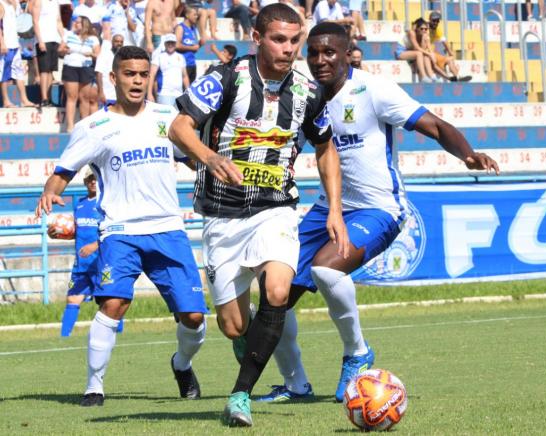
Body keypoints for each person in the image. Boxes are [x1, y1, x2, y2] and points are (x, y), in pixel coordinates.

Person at [257, 22, 499, 404]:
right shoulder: (304, 95)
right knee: (274, 295)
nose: (320, 60)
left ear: (347, 51)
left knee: (324, 268)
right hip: (328, 209)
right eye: (314, 53)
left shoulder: (373, 90)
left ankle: (357, 353)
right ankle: (296, 384)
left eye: (329, 52)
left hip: (379, 208)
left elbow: (433, 125)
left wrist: (467, 154)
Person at [168, 3, 348, 427]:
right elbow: (178, 128)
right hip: (222, 214)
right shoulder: (227, 78)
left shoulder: (307, 92)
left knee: (280, 291)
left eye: (294, 40)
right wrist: (209, 158)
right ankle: (246, 341)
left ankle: (240, 394)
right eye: (278, 39)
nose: (288, 49)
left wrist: (335, 209)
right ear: (258, 38)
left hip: (276, 209)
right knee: (233, 326)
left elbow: (325, 148)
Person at [35, 45, 208, 407]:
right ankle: (94, 386)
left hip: (167, 229)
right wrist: (50, 194)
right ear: (113, 78)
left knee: (193, 316)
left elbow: (194, 157)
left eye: (143, 74)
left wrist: (212, 167)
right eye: (129, 74)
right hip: (120, 232)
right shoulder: (93, 127)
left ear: (151, 77)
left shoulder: (169, 117)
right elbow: (62, 172)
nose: (137, 81)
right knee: (113, 304)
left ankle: (181, 364)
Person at [59, 171, 126, 337]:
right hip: (81, 264)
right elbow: (77, 232)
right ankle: (64, 338)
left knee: (110, 302)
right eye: (90, 179)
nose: (93, 182)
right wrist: (58, 234)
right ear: (85, 182)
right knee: (73, 298)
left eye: (95, 178)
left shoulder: (106, 204)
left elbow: (114, 231)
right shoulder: (79, 205)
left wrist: (95, 245)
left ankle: (120, 336)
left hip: (102, 262)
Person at [60, 15, 100, 132]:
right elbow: (60, 50)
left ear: (84, 25)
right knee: (72, 97)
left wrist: (90, 54)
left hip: (85, 68)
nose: (75, 24)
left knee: (84, 98)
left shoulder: (93, 39)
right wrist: (65, 50)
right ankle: (70, 125)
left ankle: (84, 126)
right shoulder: (68, 34)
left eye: (78, 22)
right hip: (70, 66)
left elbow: (98, 54)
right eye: (75, 22)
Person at [0, 0, 36, 107]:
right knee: (4, 74)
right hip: (6, 45)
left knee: (19, 73)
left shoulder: (14, 5)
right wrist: (2, 43)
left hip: (15, 44)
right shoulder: (1, 5)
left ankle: (24, 100)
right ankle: (6, 101)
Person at [29, 0, 65, 107]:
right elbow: (35, 21)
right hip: (44, 39)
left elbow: (58, 21)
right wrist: (40, 40)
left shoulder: (55, 3)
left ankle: (49, 97)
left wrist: (63, 38)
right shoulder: (39, 2)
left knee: (50, 70)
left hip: (55, 39)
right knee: (44, 70)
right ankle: (44, 98)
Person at [395, 18, 442, 83]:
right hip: (401, 52)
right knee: (419, 53)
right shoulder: (411, 33)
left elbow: (426, 49)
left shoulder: (424, 35)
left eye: (426, 29)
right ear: (417, 28)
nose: (424, 30)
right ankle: (423, 77)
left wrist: (431, 54)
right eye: (421, 28)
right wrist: (430, 54)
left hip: (410, 53)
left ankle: (432, 76)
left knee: (425, 55)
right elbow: (417, 48)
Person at [428, 11, 471, 82]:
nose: (436, 23)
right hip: (426, 53)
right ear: (429, 20)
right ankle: (450, 77)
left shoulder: (437, 30)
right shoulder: (424, 28)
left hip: (431, 53)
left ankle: (457, 77)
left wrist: (451, 54)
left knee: (450, 59)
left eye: (437, 21)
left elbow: (444, 42)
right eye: (434, 20)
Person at [148, 33, 188, 107]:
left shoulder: (181, 57)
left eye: (172, 43)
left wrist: (188, 92)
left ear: (175, 44)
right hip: (164, 94)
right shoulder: (159, 56)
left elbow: (185, 76)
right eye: (168, 43)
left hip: (179, 95)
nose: (170, 45)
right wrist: (149, 93)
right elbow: (152, 75)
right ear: (165, 44)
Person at [96, 33, 124, 106]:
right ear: (112, 42)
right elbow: (99, 73)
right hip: (106, 96)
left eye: (121, 42)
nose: (119, 43)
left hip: (119, 98)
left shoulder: (123, 57)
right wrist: (101, 92)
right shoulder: (104, 54)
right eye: (117, 41)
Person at [175, 5, 200, 82]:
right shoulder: (180, 28)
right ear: (187, 15)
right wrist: (193, 48)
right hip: (183, 64)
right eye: (194, 14)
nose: (196, 17)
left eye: (197, 15)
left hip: (192, 63)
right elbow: (176, 45)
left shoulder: (193, 29)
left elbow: (194, 47)